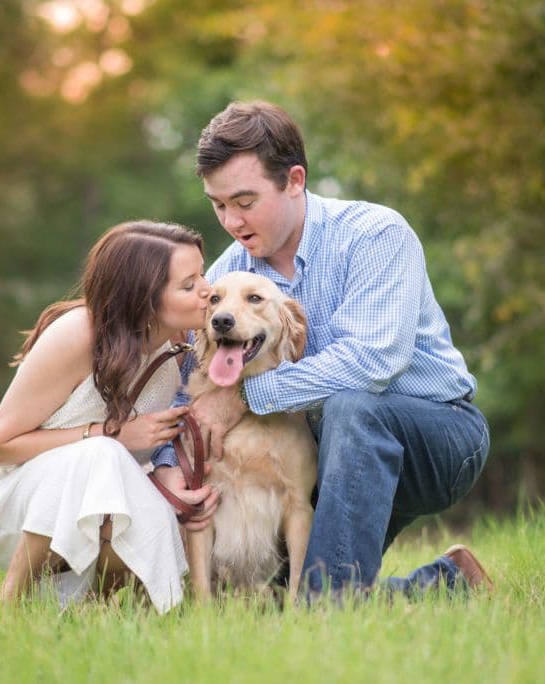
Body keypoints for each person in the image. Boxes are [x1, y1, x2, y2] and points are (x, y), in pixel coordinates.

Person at [161, 100, 492, 598]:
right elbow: (193, 368)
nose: (230, 220)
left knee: (353, 406)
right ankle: (448, 583)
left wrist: (246, 396)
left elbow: (372, 363)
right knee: (271, 597)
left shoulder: (375, 235)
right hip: (320, 452)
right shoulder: (234, 270)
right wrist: (170, 451)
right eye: (218, 204)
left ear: (294, 180)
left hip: (435, 435)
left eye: (245, 201)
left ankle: (324, 610)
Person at [0, 221, 219, 613]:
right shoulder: (78, 335)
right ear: (144, 298)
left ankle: (94, 604)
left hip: (101, 499)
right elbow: (0, 447)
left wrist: (174, 486)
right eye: (188, 285)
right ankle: (9, 600)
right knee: (100, 453)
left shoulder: (182, 345)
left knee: (166, 519)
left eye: (203, 274)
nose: (207, 290)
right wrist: (111, 436)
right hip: (14, 500)